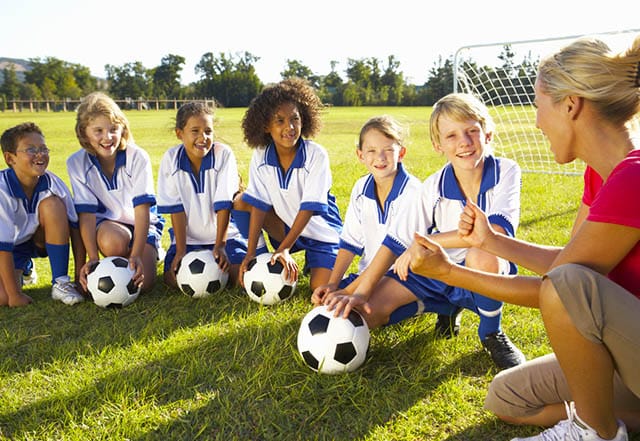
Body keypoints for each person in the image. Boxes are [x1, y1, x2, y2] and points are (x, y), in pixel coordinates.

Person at [406, 35, 640, 441]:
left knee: (564, 287)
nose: (535, 121)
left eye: (537, 105)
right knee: (507, 396)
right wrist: (490, 241)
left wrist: (449, 273)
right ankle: (612, 415)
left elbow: (561, 289)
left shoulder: (633, 178)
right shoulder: (599, 175)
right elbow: (571, 263)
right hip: (623, 347)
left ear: (571, 105)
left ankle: (598, 430)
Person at [324, 93, 526, 370]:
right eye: (451, 136)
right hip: (435, 269)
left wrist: (425, 241)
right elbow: (395, 241)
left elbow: (490, 233)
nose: (464, 142)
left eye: (471, 131)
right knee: (367, 311)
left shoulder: (505, 171)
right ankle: (441, 307)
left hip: (480, 270)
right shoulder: (433, 186)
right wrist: (360, 291)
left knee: (481, 254)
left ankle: (491, 333)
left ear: (487, 134)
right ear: (437, 145)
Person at [237, 78, 342, 292]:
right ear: (266, 126)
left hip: (323, 234)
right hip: (286, 227)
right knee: (241, 202)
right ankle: (261, 260)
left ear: (304, 119)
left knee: (321, 289)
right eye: (280, 121)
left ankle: (320, 262)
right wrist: (250, 254)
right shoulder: (261, 155)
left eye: (295, 119)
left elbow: (308, 208)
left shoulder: (315, 155)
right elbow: (259, 204)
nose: (290, 127)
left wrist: (284, 249)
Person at [311, 115, 422, 310]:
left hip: (404, 277)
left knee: (359, 312)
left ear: (401, 153)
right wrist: (333, 284)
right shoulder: (361, 188)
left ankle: (425, 304)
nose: (380, 158)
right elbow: (349, 242)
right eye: (371, 150)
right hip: (368, 275)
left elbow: (394, 253)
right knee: (325, 305)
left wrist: (347, 291)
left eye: (388, 150)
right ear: (360, 155)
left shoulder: (412, 192)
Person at [68, 92, 164, 293]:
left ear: (123, 129)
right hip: (108, 227)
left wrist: (137, 254)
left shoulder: (137, 157)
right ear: (84, 132)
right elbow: (86, 216)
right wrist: (93, 259)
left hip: (141, 224)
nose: (107, 137)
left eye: (113, 129)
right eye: (98, 131)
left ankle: (149, 251)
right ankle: (118, 258)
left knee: (141, 286)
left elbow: (142, 211)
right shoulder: (76, 163)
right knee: (112, 243)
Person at [157, 101, 248, 287]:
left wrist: (220, 245)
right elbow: (177, 209)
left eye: (208, 131)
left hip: (225, 238)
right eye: (195, 131)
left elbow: (224, 204)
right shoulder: (171, 159)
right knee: (173, 281)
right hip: (189, 240)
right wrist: (181, 250)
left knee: (240, 278)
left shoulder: (223, 154)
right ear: (179, 133)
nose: (203, 137)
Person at [0, 122, 84, 306]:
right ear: (10, 158)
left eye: (44, 149)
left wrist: (79, 277)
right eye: (30, 150)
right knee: (4, 297)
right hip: (6, 248)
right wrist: (14, 295)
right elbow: (3, 247)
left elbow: (75, 228)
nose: (40, 154)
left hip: (34, 240)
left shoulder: (53, 183)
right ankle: (24, 268)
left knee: (53, 205)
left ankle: (61, 282)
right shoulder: (2, 190)